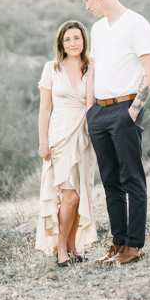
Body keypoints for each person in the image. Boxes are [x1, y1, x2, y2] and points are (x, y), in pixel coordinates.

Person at [82, 0, 150, 266]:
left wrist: (133, 110)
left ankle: (134, 246)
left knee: (131, 178)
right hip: (99, 112)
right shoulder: (98, 29)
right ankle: (118, 243)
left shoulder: (136, 24)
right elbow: (95, 69)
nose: (86, 6)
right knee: (111, 182)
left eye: (88, 0)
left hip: (125, 109)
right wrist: (91, 111)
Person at [35, 20, 98, 267]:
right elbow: (44, 109)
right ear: (61, 43)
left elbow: (94, 104)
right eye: (67, 39)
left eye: (77, 38)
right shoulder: (52, 68)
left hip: (84, 135)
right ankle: (61, 249)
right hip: (59, 136)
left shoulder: (92, 67)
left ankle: (73, 246)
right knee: (69, 196)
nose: (73, 43)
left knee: (80, 195)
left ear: (84, 41)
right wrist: (43, 141)